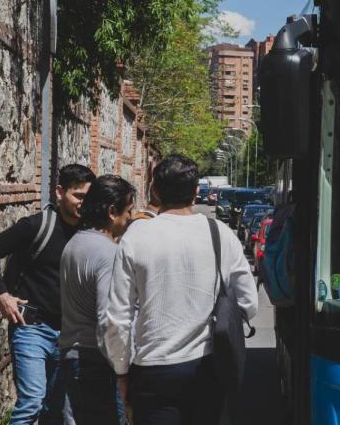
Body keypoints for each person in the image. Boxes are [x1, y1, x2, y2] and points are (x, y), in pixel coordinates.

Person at [105, 154, 258, 425]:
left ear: (155, 190)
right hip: (206, 367)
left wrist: (121, 371)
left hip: (153, 370)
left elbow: (118, 316)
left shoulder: (136, 236)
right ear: (196, 191)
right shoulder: (220, 233)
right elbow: (249, 303)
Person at [0, 164, 95, 425]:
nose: (82, 204)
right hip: (31, 327)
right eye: (78, 196)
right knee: (32, 401)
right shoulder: (35, 226)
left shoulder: (90, 233)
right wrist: (3, 295)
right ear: (60, 192)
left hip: (70, 334)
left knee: (57, 410)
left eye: (88, 197)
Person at [60, 175, 136, 424]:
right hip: (97, 362)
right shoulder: (109, 253)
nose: (130, 219)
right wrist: (122, 370)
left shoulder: (74, 244)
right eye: (128, 211)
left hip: (72, 355)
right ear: (112, 212)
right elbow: (108, 318)